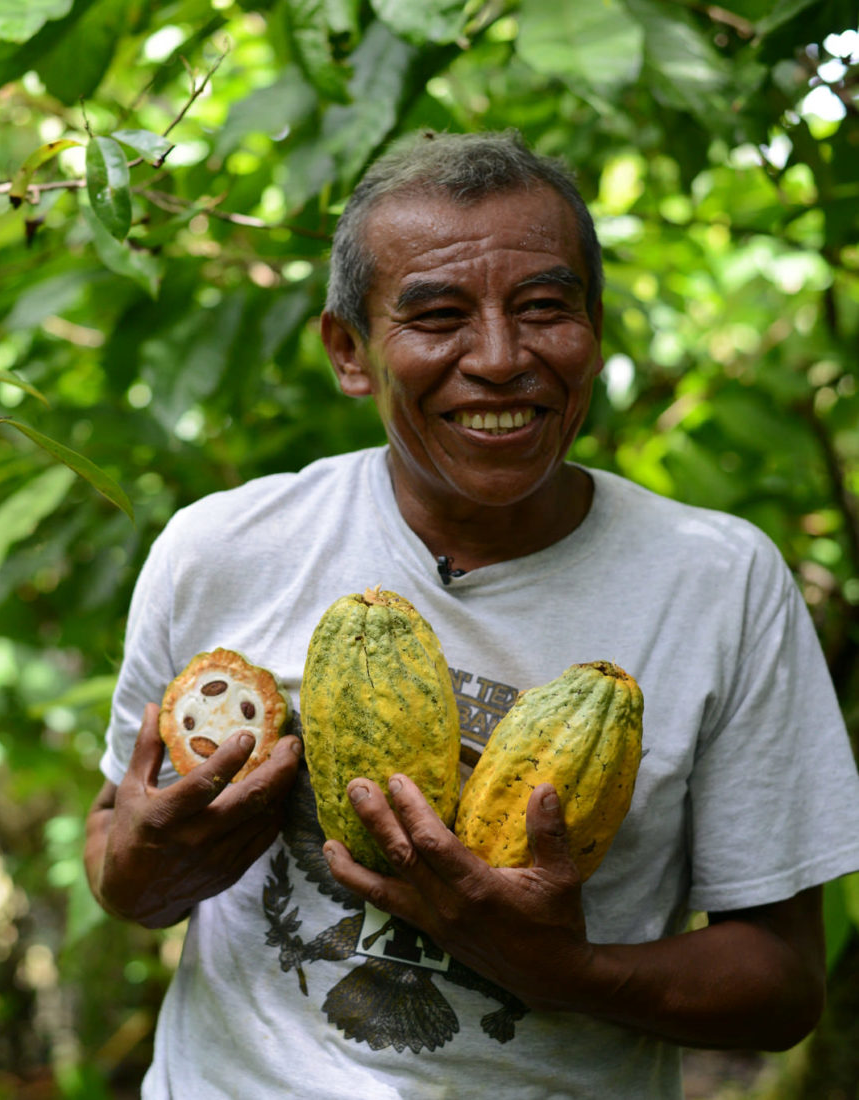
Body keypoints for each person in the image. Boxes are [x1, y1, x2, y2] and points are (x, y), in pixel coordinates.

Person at [84, 130, 859, 1098]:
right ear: (349, 351)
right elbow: (117, 844)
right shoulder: (224, 548)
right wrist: (148, 868)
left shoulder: (717, 579)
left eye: (543, 308)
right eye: (437, 315)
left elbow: (783, 983)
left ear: (594, 327)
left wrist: (561, 968)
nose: (498, 358)